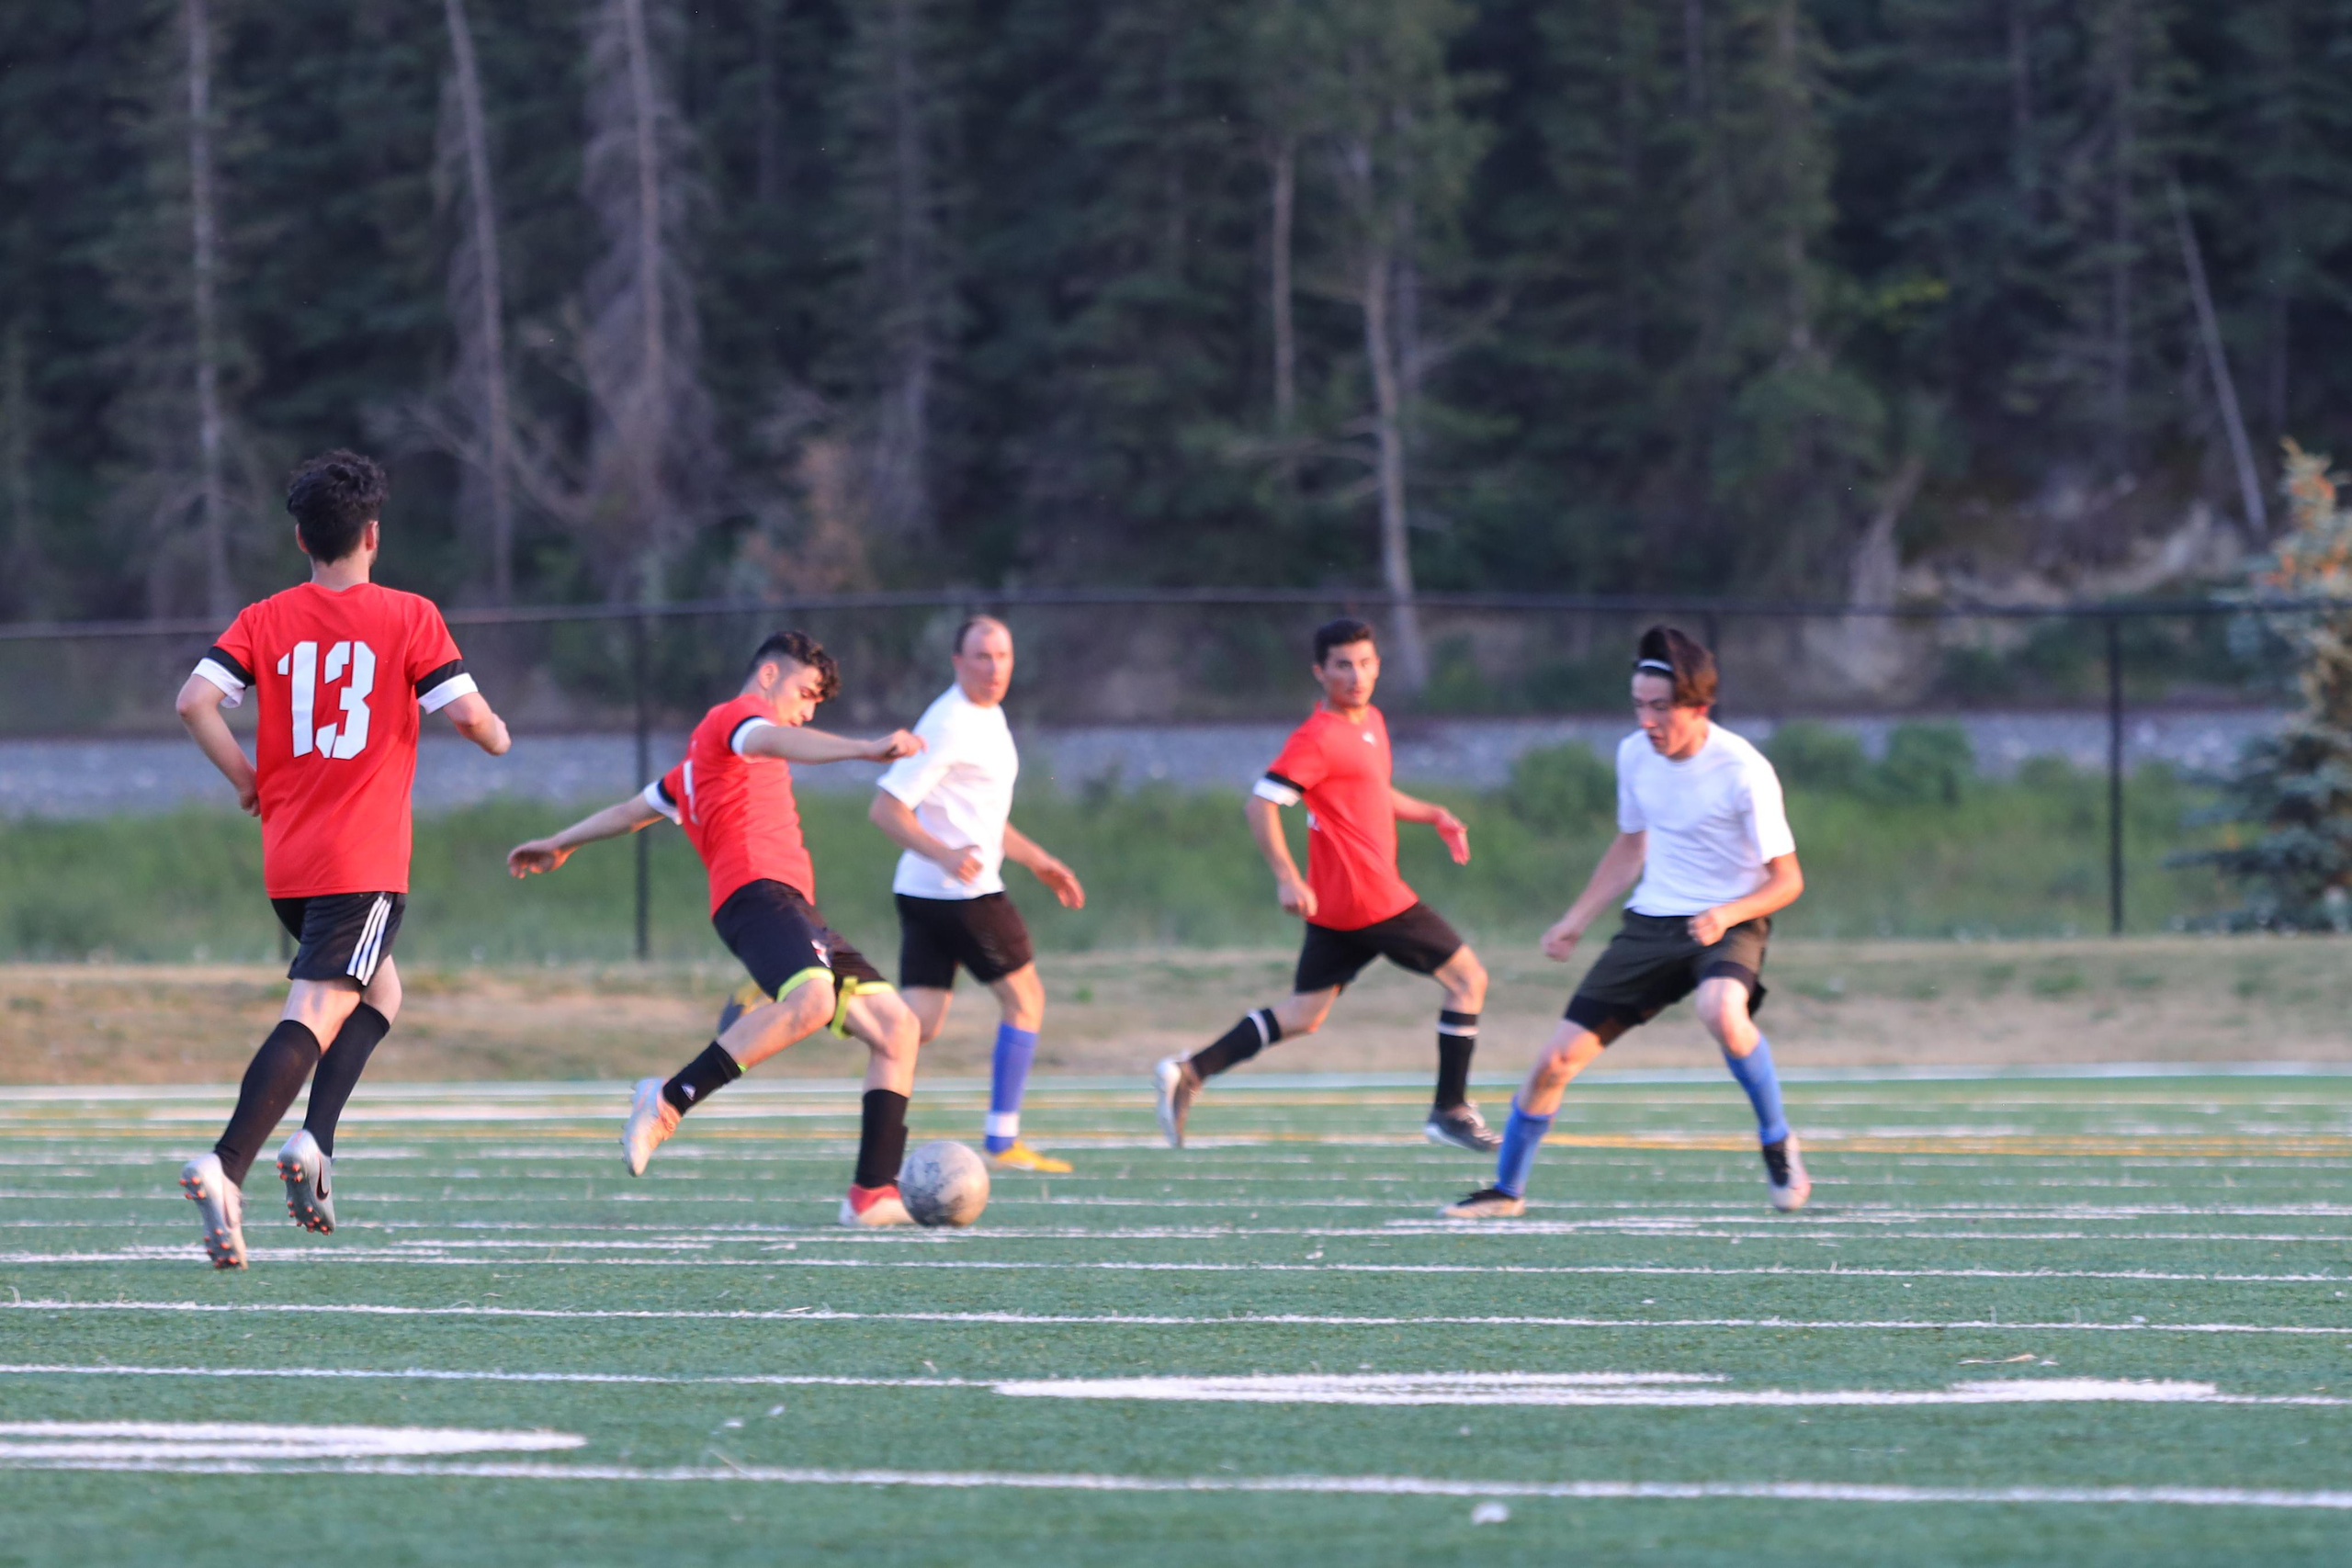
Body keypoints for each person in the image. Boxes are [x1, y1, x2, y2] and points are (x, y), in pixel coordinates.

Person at [175, 449, 512, 1269]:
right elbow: (469, 718)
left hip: (289, 862)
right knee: (317, 1010)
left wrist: (248, 781)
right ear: (373, 534)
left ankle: (315, 1142)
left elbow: (195, 702)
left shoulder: (262, 617)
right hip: (361, 861)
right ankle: (227, 1164)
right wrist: (497, 732)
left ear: (301, 539)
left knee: (380, 993)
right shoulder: (408, 614)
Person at [505, 631, 933, 1226]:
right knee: (811, 1000)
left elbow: (633, 811)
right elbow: (773, 735)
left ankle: (873, 1193)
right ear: (767, 677)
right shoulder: (739, 719)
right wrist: (864, 748)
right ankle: (668, 1099)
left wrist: (560, 842)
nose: (808, 710)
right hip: (757, 894)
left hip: (793, 908)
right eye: (805, 693)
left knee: (897, 1028)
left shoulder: (698, 769)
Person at [1443, 626, 1809, 1220]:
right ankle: (1507, 1189)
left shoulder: (1745, 769)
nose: (1647, 721)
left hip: (1731, 918)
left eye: (1661, 708)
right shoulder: (1634, 754)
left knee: (1721, 1009)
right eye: (1639, 706)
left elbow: (1788, 881)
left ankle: (1777, 1141)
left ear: (1699, 707)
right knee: (1553, 1062)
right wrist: (1574, 920)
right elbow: (1630, 846)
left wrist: (1727, 913)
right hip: (1652, 923)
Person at [1153, 617, 1498, 1152]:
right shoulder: (1318, 737)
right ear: (1320, 672)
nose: (1355, 676)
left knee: (1302, 1016)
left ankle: (1191, 1070)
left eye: (1364, 663)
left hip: (1339, 908)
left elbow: (1374, 793)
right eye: (1342, 665)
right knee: (1468, 980)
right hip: (1373, 899)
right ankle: (1450, 1109)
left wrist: (1434, 814)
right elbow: (1260, 804)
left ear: (1378, 666)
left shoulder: (1372, 723)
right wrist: (1287, 877)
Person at [865, 615, 1086, 1172]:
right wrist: (942, 853)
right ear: (957, 662)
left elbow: (982, 816)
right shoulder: (949, 723)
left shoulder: (988, 715)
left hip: (925, 892)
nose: (994, 668)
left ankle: (800, 1005)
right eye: (981, 657)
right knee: (1026, 999)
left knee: (915, 1026)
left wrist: (1040, 861)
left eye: (1003, 656)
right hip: (959, 894)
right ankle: (1002, 1139)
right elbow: (886, 809)